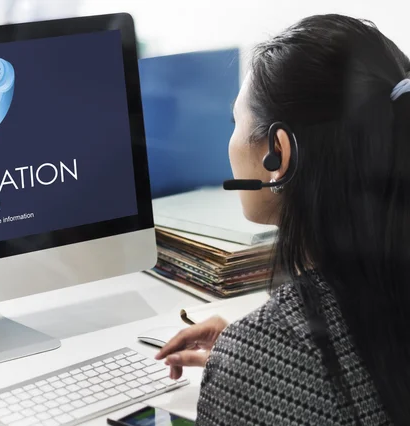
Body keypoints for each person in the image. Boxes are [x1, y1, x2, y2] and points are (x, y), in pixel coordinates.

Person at [156, 14, 410, 425]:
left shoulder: (259, 360)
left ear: (278, 153)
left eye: (235, 123)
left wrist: (257, 358)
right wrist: (264, 348)